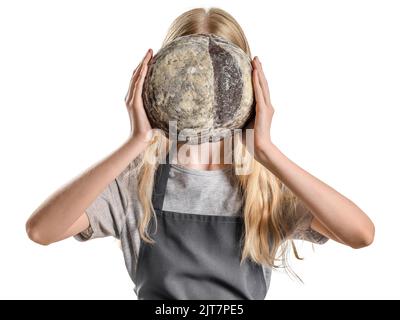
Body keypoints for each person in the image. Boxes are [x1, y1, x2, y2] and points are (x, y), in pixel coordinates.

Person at [25, 7, 375, 300]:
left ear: (247, 87)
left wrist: (266, 151)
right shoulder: (138, 183)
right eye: (187, 77)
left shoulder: (265, 187)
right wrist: (136, 141)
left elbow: (361, 234)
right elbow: (42, 231)